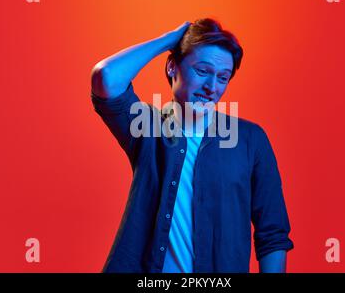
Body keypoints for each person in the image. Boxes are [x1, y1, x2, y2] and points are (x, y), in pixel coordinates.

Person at [90, 18, 294, 273]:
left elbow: (272, 233)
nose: (211, 87)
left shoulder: (250, 139)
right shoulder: (146, 127)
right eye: (202, 71)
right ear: (172, 67)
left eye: (223, 77)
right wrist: (169, 40)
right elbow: (106, 77)